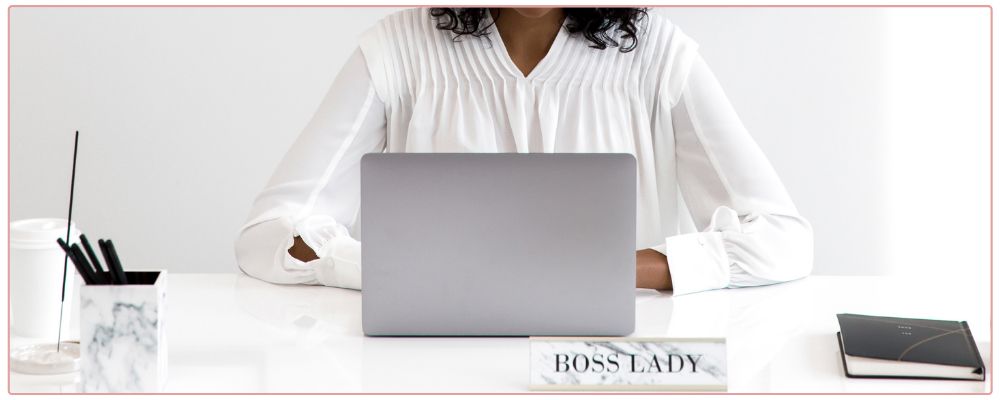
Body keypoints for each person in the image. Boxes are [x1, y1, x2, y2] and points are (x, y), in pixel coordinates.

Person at [233, 7, 813, 295]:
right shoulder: (398, 51)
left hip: (607, 370)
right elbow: (266, 238)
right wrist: (395, 272)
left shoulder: (658, 55)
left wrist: (629, 267)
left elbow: (784, 240)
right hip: (432, 369)